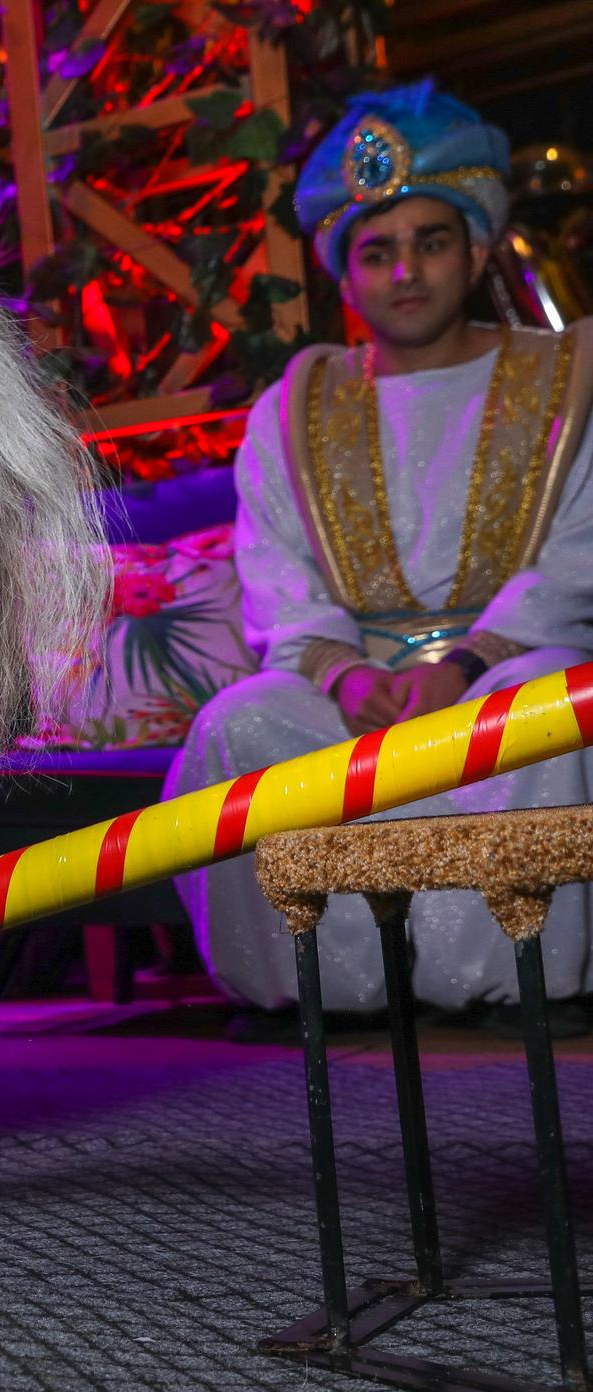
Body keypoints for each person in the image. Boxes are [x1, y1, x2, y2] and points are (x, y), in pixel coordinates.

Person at [169, 83, 593, 1040]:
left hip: (499, 673)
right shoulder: (296, 406)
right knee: (241, 725)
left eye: (432, 241)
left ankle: (519, 984)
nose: (406, 270)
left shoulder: (564, 378)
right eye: (377, 250)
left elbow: (578, 554)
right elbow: (277, 575)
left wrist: (467, 666)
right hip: (356, 691)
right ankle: (317, 990)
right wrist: (342, 668)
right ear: (344, 274)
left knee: (556, 699)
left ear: (477, 250)